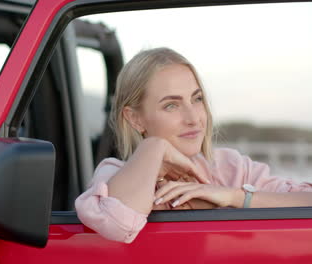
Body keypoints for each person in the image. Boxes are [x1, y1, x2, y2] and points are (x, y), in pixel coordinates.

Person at [75, 47, 312, 243]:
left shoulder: (231, 166)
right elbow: (118, 225)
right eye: (171, 105)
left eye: (197, 99)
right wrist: (154, 147)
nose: (194, 117)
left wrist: (234, 197)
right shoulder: (114, 174)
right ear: (135, 118)